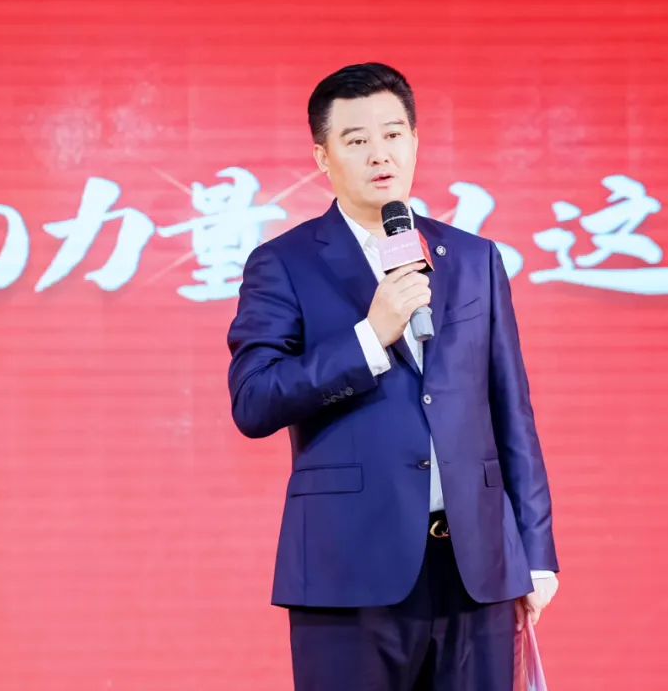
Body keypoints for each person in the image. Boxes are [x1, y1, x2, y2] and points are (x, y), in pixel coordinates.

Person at [226, 62, 560, 690]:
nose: (380, 154)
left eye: (393, 134)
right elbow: (254, 399)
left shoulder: (473, 257)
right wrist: (369, 336)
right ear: (322, 157)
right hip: (350, 570)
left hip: (478, 570)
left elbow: (510, 411)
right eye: (356, 140)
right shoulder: (284, 263)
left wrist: (535, 555)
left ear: (414, 141)